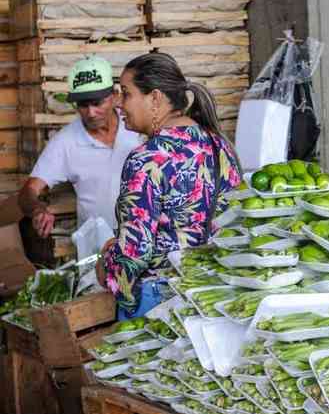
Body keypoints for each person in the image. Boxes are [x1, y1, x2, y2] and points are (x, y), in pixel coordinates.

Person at [96, 53, 241, 318]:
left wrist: (106, 268)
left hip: (161, 303)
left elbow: (135, 252)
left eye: (125, 93)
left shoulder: (148, 158)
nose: (118, 104)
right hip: (214, 295)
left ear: (155, 98)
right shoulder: (219, 145)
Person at [18, 56, 142, 237]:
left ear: (115, 96)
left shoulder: (138, 128)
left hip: (145, 240)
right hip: (97, 248)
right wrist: (38, 210)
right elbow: (28, 191)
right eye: (83, 104)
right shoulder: (65, 142)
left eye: (97, 102)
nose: (91, 113)